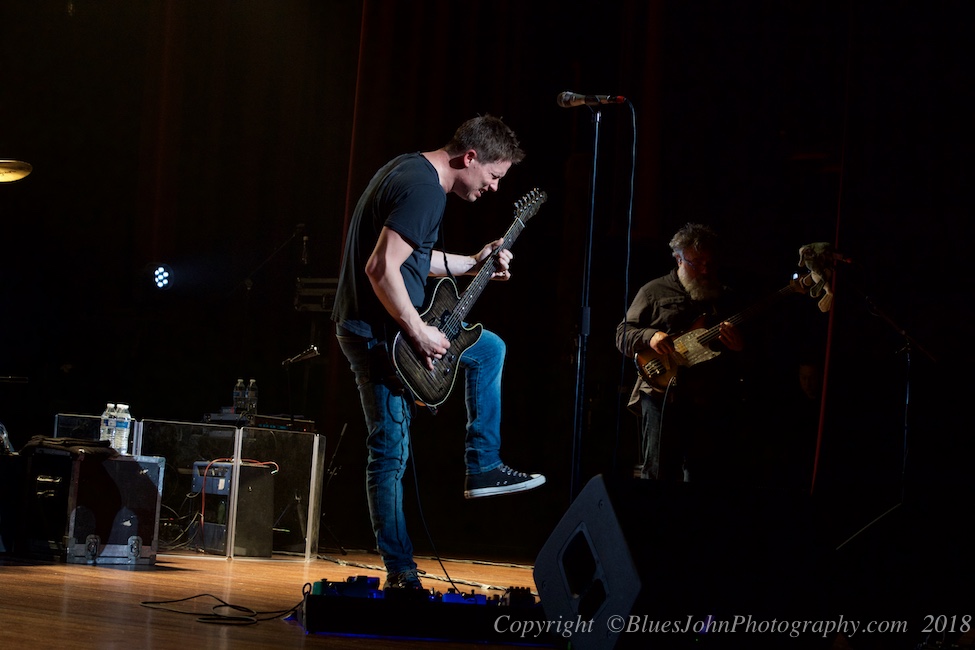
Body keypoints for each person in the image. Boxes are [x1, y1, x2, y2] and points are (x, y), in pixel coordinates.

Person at [331, 115, 546, 591]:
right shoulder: (425, 189)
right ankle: (402, 572)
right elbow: (380, 267)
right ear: (469, 158)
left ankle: (482, 465)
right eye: (493, 176)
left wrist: (473, 263)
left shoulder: (410, 170)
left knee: (488, 348)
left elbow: (411, 256)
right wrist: (419, 331)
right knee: (389, 455)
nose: (492, 188)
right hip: (378, 336)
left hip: (382, 327)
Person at [615, 223, 745, 483]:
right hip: (663, 397)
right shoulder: (653, 291)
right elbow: (622, 335)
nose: (705, 270)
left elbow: (748, 354)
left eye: (710, 263)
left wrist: (739, 346)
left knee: (705, 476)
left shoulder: (725, 297)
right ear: (678, 258)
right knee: (660, 474)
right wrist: (650, 337)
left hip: (708, 398)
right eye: (697, 263)